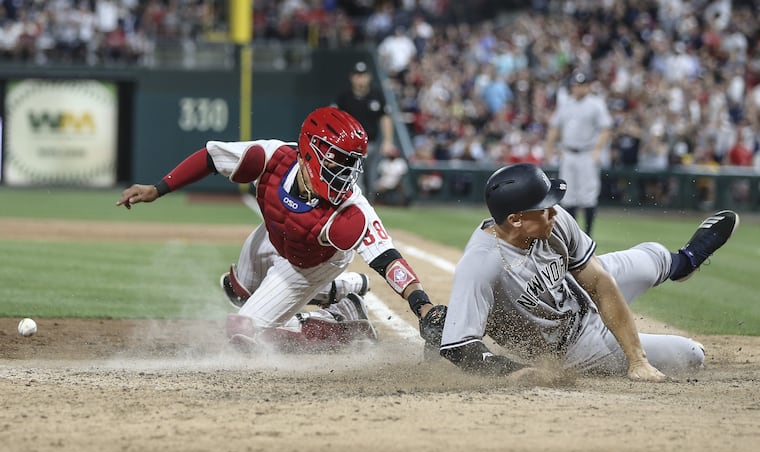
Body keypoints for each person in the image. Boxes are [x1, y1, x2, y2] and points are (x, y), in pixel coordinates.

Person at [117, 106, 440, 353]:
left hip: (311, 262)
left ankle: (343, 326)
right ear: (309, 152)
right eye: (337, 162)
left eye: (350, 165)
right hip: (276, 237)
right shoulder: (272, 157)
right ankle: (346, 293)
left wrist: (422, 307)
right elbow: (211, 158)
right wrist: (158, 188)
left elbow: (387, 257)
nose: (345, 174)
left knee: (243, 333)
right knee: (237, 290)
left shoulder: (350, 210)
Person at [421, 163, 738, 382]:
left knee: (650, 258)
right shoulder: (481, 264)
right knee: (691, 355)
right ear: (516, 219)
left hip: (575, 288)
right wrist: (513, 371)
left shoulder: (553, 222)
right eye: (543, 208)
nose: (554, 212)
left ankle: (686, 261)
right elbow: (460, 347)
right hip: (572, 343)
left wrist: (637, 360)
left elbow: (599, 283)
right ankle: (445, 325)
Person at [544, 71, 613, 237]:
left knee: (588, 195)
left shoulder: (596, 104)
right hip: (568, 152)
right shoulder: (566, 104)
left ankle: (588, 235)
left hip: (587, 153)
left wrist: (597, 149)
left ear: (588, 86)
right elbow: (555, 127)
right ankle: (572, 235)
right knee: (568, 196)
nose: (578, 88)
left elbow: (606, 129)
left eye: (581, 85)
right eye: (575, 85)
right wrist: (548, 147)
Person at [333, 60, 396, 204]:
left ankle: (369, 209)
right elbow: (335, 119)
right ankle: (358, 209)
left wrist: (388, 141)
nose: (360, 78)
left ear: (369, 77)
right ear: (352, 77)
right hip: (351, 148)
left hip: (372, 144)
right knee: (356, 181)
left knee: (371, 181)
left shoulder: (376, 95)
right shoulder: (344, 97)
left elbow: (385, 118)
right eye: (357, 75)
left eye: (363, 75)